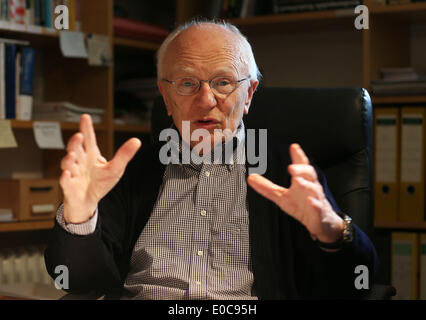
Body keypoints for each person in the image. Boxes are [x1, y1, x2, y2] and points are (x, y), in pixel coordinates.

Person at [44, 20, 378, 300]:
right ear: (166, 96)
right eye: (187, 83)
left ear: (248, 95)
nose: (206, 101)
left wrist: (331, 231)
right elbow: (76, 282)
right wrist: (79, 216)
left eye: (223, 83)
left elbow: (354, 283)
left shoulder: (289, 172)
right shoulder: (133, 171)